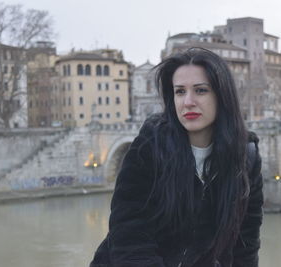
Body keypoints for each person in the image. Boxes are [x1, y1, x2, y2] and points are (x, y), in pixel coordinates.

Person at [90, 47, 263, 267]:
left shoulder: (246, 158)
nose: (187, 102)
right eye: (180, 91)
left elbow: (246, 242)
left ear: (222, 95)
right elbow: (129, 233)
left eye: (200, 90)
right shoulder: (149, 147)